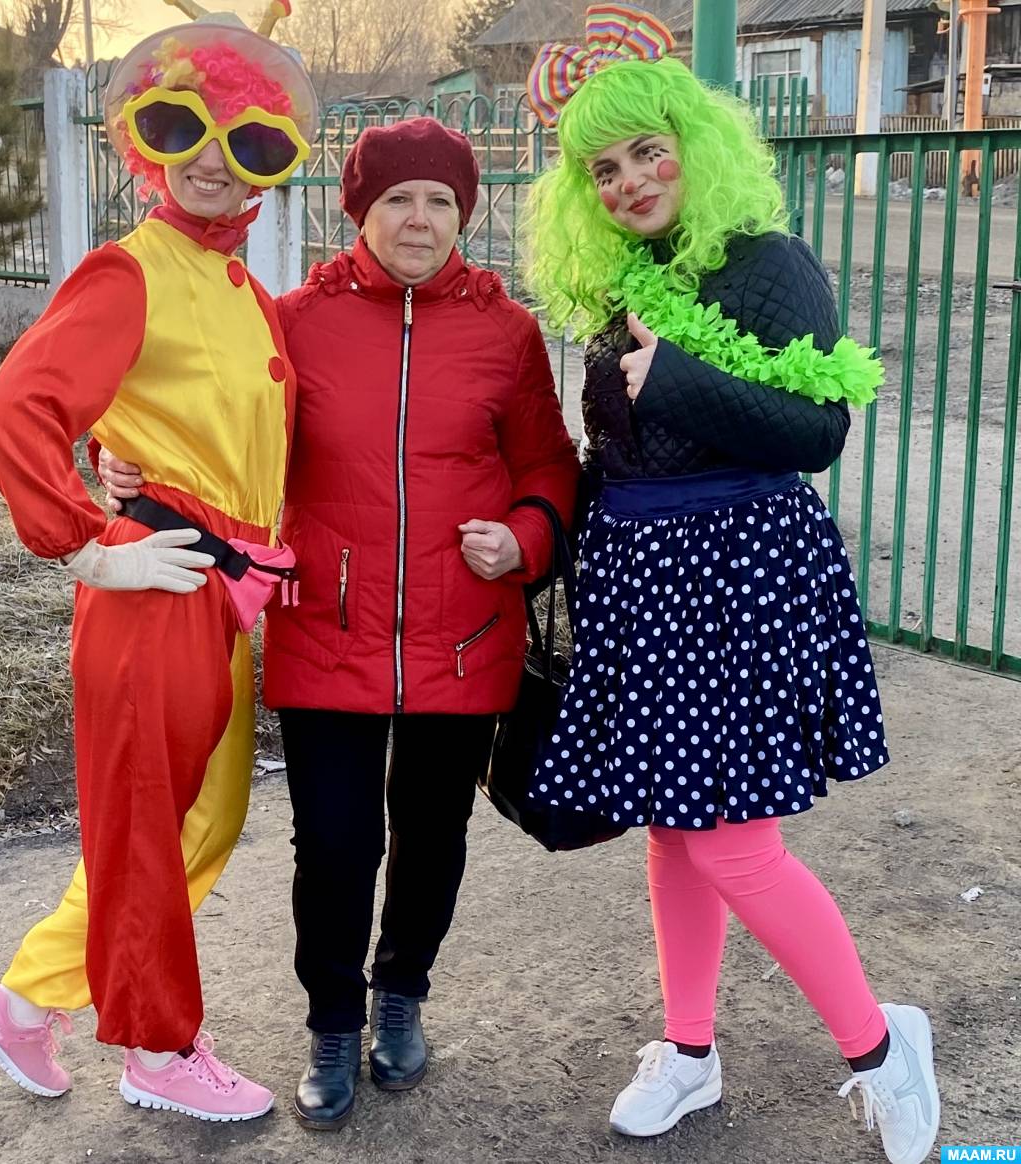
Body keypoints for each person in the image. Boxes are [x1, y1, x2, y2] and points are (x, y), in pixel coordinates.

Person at [100, 115, 580, 1129]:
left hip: (463, 634)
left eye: (440, 201)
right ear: (357, 210)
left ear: (464, 214)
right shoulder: (292, 322)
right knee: (332, 844)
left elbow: (547, 461)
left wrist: (526, 536)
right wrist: (125, 460)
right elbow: (214, 422)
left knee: (432, 836)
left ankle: (400, 994)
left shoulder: (506, 332)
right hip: (326, 622)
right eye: (397, 199)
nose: (419, 220)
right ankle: (331, 1019)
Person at [520, 8, 939, 1164]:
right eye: (602, 170)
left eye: (645, 152)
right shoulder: (625, 278)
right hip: (642, 575)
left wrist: (674, 378)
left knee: (733, 844)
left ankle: (878, 1047)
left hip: (741, 573)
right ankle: (688, 1049)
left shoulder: (769, 265)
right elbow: (617, 448)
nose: (627, 181)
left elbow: (815, 433)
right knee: (673, 827)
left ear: (692, 147)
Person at [0, 6, 317, 1122]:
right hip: (156, 583)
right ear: (146, 140)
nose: (214, 160)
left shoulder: (242, 291)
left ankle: (24, 1002)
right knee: (157, 827)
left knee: (200, 821)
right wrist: (86, 549)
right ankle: (159, 1050)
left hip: (220, 594)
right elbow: (15, 411)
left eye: (250, 142)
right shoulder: (130, 271)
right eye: (184, 129)